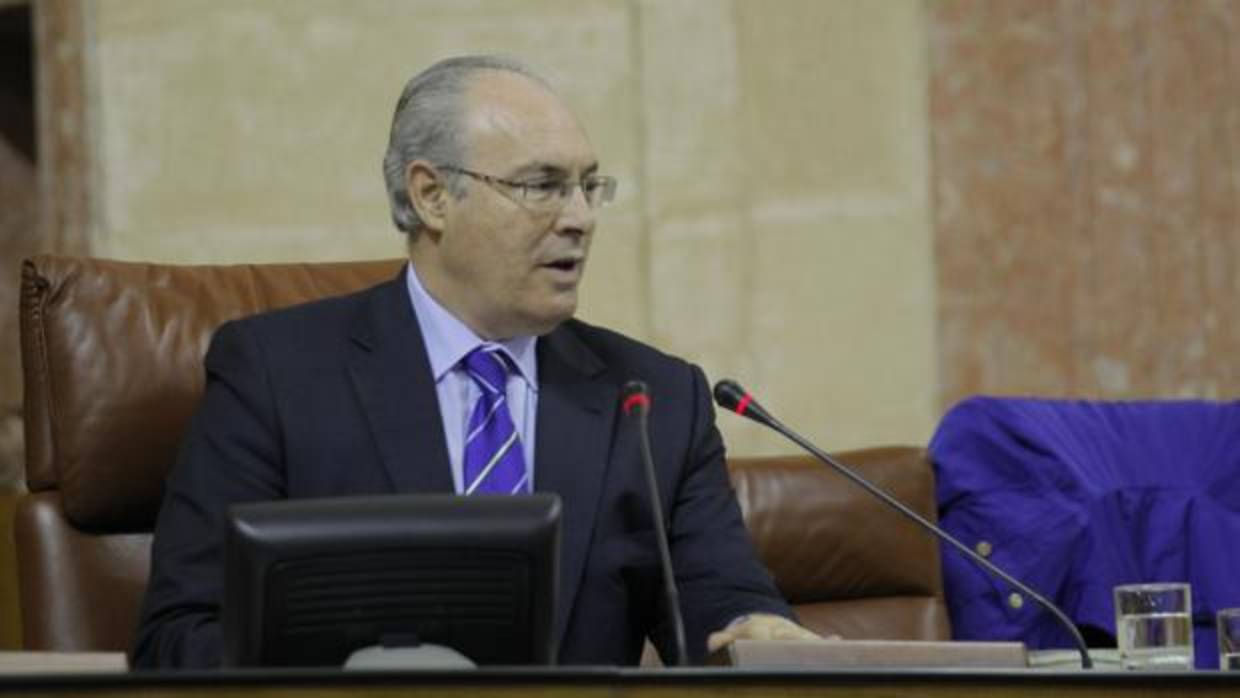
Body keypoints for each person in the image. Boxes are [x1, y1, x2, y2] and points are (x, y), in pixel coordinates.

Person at [131, 55, 817, 669]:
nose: (580, 217)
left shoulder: (652, 400)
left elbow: (723, 603)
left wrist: (757, 632)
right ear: (432, 195)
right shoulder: (278, 375)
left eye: (588, 186)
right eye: (542, 185)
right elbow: (177, 638)